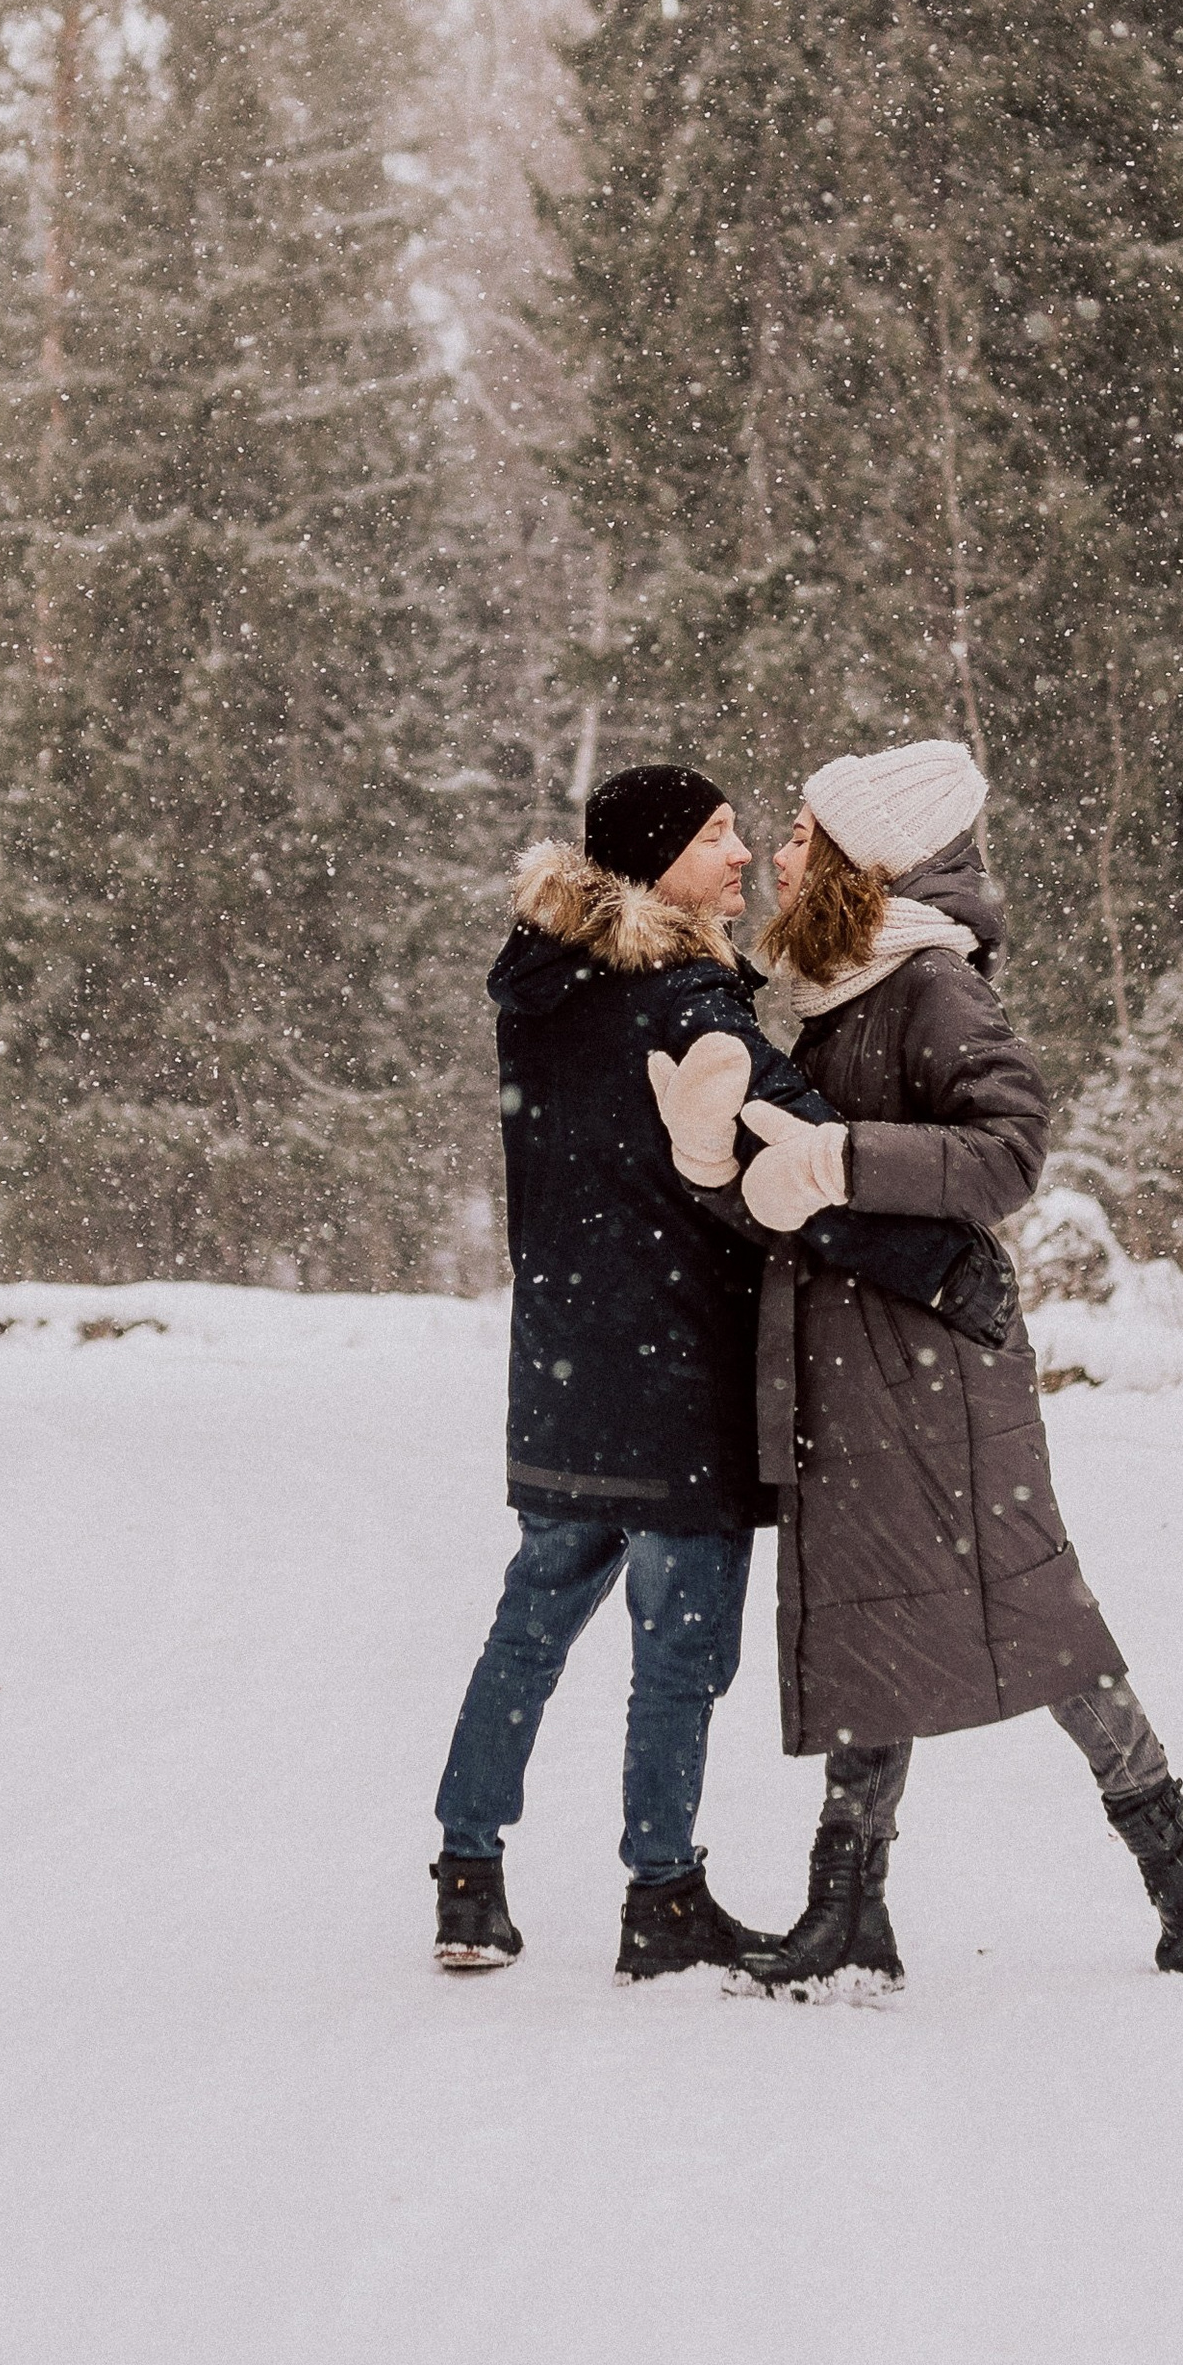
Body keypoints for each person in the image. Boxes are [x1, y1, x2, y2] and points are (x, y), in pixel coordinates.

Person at [657, 737, 1183, 1994]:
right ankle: (853, 1903)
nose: (780, 851)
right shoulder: (828, 991)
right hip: (860, 1354)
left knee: (1019, 1604)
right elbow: (800, 1200)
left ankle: (1172, 1826)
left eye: (806, 834)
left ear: (868, 859)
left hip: (934, 1355)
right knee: (879, 1610)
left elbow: (1009, 1148)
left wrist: (843, 1159)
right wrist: (724, 1168)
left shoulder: (928, 982)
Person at [432, 762, 976, 1984]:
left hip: (566, 1356)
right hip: (677, 1357)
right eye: (718, 835)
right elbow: (793, 1157)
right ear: (659, 855)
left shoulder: (542, 987)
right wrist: (936, 1261)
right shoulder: (685, 1002)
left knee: (530, 1622)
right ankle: (662, 1888)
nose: (741, 857)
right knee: (679, 1650)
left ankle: (468, 1875)